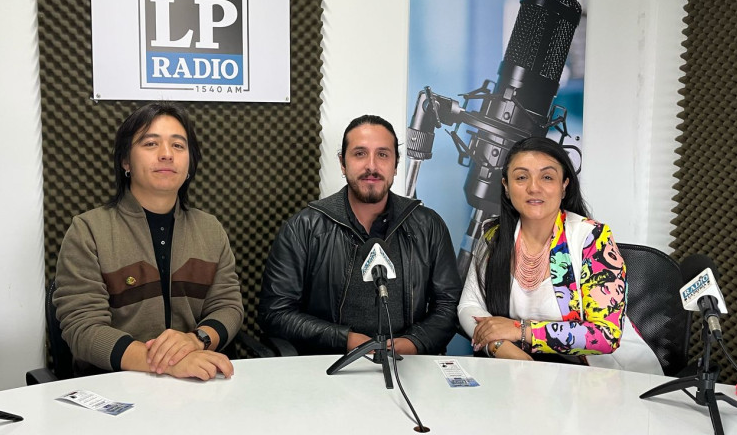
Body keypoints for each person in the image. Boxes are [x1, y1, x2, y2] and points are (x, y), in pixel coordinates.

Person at [54, 102, 243, 380]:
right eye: (151, 143)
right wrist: (165, 362)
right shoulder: (88, 231)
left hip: (195, 380)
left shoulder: (210, 230)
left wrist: (195, 340)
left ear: (190, 163)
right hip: (115, 384)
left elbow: (228, 306)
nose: (167, 154)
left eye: (178, 146)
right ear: (126, 161)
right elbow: (83, 328)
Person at [259, 114, 460, 355]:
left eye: (383, 154)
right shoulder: (304, 228)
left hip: (407, 364)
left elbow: (448, 307)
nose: (372, 166)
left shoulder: (429, 226)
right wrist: (347, 340)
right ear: (343, 163)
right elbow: (275, 313)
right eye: (360, 154)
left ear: (396, 165)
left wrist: (409, 345)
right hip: (329, 365)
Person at [458, 136, 655, 370]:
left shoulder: (592, 238)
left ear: (564, 186)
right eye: (521, 177)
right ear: (507, 188)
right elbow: (469, 305)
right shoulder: (494, 235)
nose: (534, 187)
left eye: (547, 177)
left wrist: (518, 331)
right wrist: (499, 345)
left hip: (608, 373)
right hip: (537, 372)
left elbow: (605, 335)